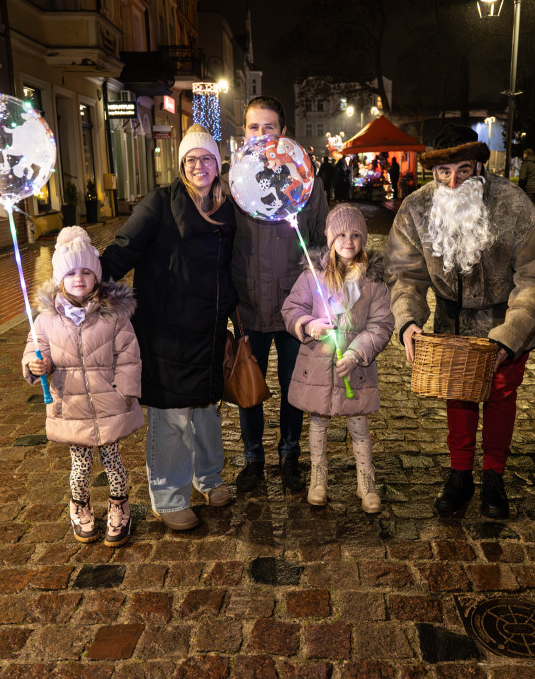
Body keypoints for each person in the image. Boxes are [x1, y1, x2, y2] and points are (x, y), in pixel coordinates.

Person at [386, 124, 535, 520]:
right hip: (452, 323)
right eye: (443, 172)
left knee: (500, 396)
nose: (453, 181)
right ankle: (460, 473)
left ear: (479, 166)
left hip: (505, 322)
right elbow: (405, 274)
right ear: (432, 171)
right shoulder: (416, 208)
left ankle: (494, 473)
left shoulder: (514, 206)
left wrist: (509, 336)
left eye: (463, 170)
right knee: (459, 396)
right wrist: (409, 320)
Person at [100, 123, 237, 531]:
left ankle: (208, 477)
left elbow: (230, 268)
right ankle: (168, 496)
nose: (199, 166)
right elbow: (124, 249)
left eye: (206, 158)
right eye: (191, 160)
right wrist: (86, 283)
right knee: (172, 414)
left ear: (217, 164)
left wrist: (237, 315)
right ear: (181, 165)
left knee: (207, 411)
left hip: (208, 327)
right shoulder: (159, 203)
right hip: (166, 330)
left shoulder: (226, 208)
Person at [22, 226, 143, 547]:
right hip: (72, 406)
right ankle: (80, 505)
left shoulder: (113, 315)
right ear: (60, 278)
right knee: (80, 466)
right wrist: (37, 366)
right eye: (71, 272)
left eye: (86, 272)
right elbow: (36, 351)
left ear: (97, 277)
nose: (79, 278)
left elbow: (129, 356)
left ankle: (119, 506)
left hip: (108, 405)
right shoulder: (46, 320)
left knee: (114, 462)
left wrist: (125, 393)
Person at [232, 96, 329, 493]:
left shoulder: (307, 181)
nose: (260, 135)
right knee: (248, 387)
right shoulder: (233, 184)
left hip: (295, 308)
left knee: (295, 386)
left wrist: (322, 291)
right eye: (254, 127)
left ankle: (291, 455)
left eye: (268, 127)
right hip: (249, 305)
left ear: (282, 133)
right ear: (244, 133)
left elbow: (323, 241)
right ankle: (253, 457)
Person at [281, 206, 395, 512]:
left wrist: (357, 354)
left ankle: (365, 481)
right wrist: (309, 325)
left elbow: (381, 324)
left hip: (356, 369)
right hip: (320, 366)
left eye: (355, 235)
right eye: (341, 234)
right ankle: (318, 478)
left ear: (363, 239)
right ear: (330, 238)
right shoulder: (312, 276)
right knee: (318, 423)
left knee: (359, 424)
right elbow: (292, 308)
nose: (348, 241)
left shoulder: (372, 282)